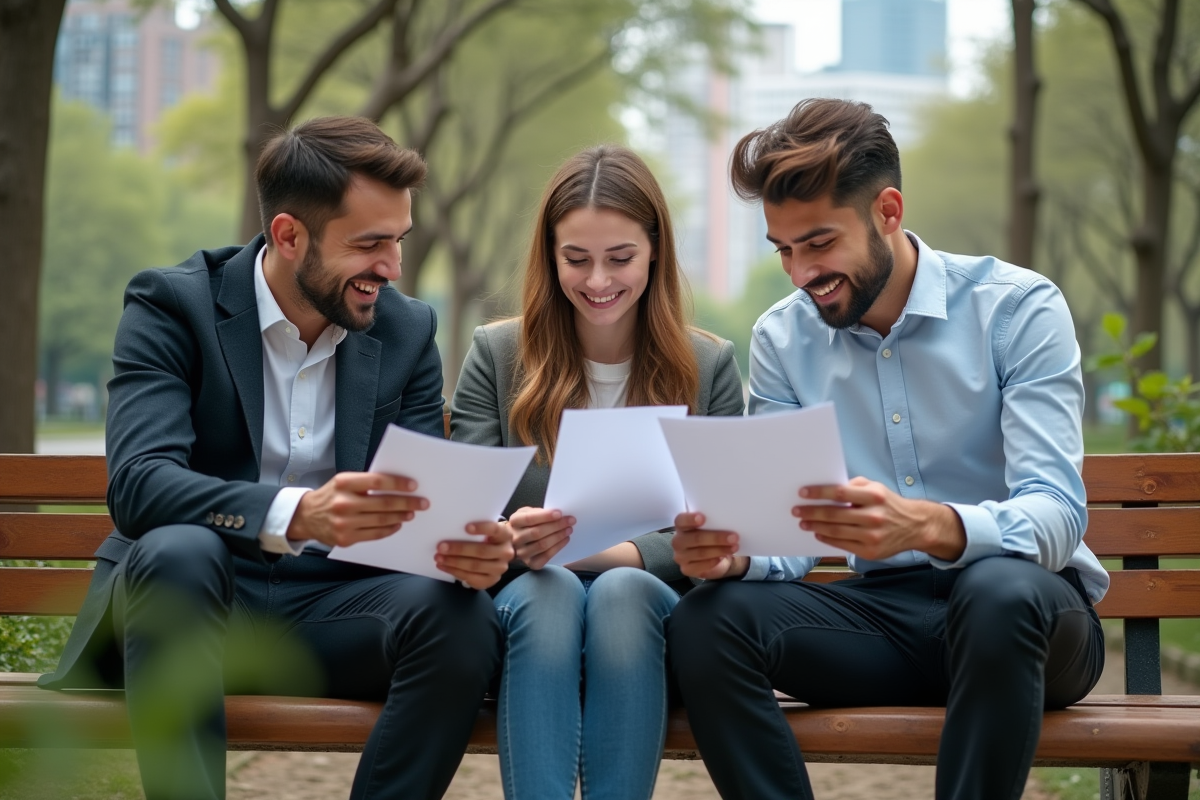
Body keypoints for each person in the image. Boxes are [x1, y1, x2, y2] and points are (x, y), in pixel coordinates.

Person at [38, 116, 513, 800]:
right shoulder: (172, 305)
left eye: (399, 242)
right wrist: (296, 514)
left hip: (332, 612)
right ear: (289, 235)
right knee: (177, 551)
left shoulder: (407, 329)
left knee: (460, 617)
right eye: (371, 243)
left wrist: (464, 544)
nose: (392, 267)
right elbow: (140, 485)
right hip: (187, 604)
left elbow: (420, 505)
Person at [668, 98, 1109, 800]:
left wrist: (932, 525)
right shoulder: (783, 339)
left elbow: (1056, 517)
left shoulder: (1018, 309)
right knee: (706, 620)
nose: (800, 273)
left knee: (998, 593)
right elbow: (787, 535)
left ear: (889, 211)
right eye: (783, 249)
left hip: (1029, 621)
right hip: (882, 623)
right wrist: (740, 554)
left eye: (818, 243)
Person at [450, 145, 744, 799]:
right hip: (525, 603)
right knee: (548, 591)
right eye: (576, 259)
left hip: (649, 611)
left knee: (619, 592)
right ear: (550, 257)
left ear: (655, 254)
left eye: (620, 258)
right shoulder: (498, 356)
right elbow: (465, 510)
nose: (598, 280)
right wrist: (511, 535)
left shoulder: (709, 367)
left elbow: (722, 530)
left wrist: (607, 553)